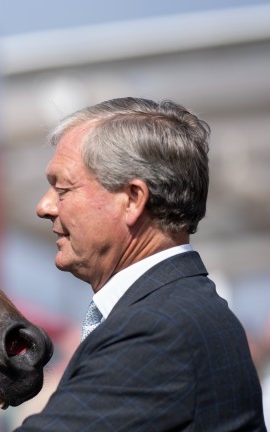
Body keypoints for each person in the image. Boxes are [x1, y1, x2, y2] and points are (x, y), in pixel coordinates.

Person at [19, 97, 265, 430]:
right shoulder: (176, 310)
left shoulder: (158, 328)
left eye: (62, 188)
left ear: (133, 199)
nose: (44, 206)